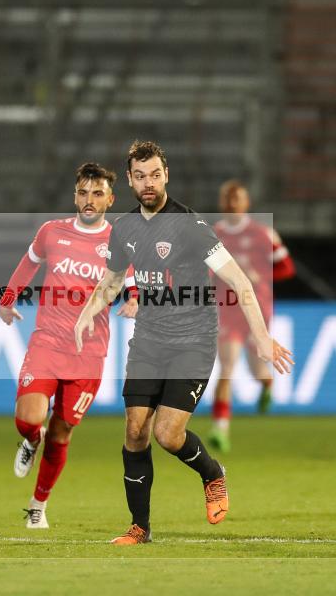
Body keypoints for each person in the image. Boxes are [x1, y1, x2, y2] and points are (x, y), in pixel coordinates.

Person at [74, 140, 293, 545]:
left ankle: (212, 473)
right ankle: (140, 527)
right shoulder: (124, 228)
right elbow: (112, 281)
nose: (149, 183)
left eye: (155, 175)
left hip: (193, 341)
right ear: (129, 181)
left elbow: (239, 281)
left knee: (168, 435)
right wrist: (87, 313)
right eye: (141, 176)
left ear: (166, 176)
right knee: (135, 429)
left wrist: (262, 338)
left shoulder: (191, 226)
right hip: (148, 341)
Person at [0, 162, 137, 529]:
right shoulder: (51, 232)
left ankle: (37, 506)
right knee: (28, 420)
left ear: (110, 199)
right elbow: (28, 264)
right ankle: (32, 439)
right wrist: (7, 300)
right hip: (47, 342)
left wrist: (136, 300)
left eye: (97, 193)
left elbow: (132, 280)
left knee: (61, 433)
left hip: (88, 353)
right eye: (83, 192)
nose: (89, 199)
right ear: (75, 196)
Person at [210, 180, 296, 453]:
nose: (232, 203)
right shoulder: (213, 235)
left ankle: (267, 385)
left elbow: (286, 268)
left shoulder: (262, 234)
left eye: (237, 198)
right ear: (222, 203)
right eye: (228, 198)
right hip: (227, 310)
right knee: (227, 366)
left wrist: (260, 277)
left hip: (257, 310)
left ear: (246, 203)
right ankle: (220, 429)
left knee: (256, 369)